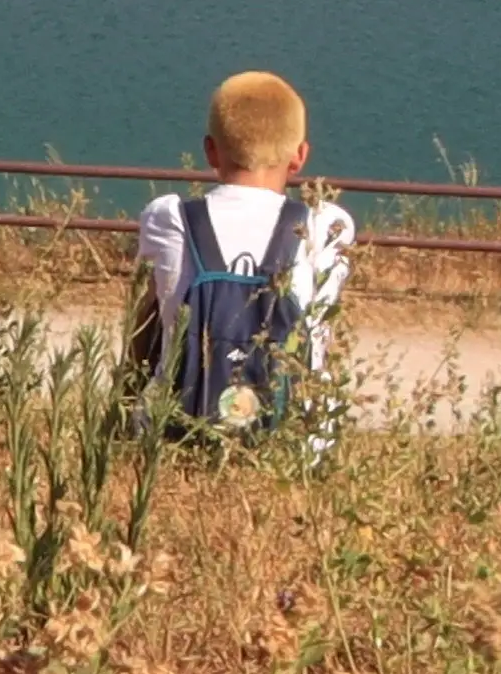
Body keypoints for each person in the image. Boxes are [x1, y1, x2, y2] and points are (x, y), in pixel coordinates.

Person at [129, 69, 354, 430]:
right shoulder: (326, 225)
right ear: (299, 156)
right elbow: (324, 336)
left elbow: (145, 323)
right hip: (294, 440)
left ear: (210, 150)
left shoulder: (167, 218)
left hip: (171, 431)